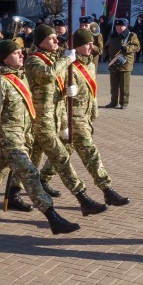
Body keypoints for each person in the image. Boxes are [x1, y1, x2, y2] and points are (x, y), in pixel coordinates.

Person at [0, 39, 80, 234]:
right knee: (31, 174)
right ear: (4, 58)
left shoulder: (21, 77)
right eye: (16, 53)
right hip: (8, 139)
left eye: (21, 52)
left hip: (21, 137)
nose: (21, 55)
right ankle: (53, 217)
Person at [25, 24, 107, 216]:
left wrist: (66, 93)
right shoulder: (34, 60)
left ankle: (12, 192)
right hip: (41, 120)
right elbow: (47, 75)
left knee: (31, 160)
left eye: (56, 37)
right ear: (41, 41)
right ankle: (82, 198)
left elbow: (56, 88)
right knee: (61, 159)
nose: (56, 41)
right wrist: (65, 60)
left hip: (53, 118)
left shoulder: (53, 57)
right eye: (51, 38)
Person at [65, 27, 130, 206]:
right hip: (73, 117)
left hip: (85, 116)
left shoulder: (90, 64)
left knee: (62, 154)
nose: (90, 46)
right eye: (86, 44)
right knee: (90, 153)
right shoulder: (67, 65)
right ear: (76, 46)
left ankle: (42, 179)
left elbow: (92, 93)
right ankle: (107, 190)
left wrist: (93, 112)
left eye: (91, 43)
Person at [104, 18, 139, 109]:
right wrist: (106, 55)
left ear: (126, 26)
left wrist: (127, 48)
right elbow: (107, 46)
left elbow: (137, 47)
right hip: (113, 62)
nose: (119, 28)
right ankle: (113, 102)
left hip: (125, 63)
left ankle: (124, 103)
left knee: (124, 85)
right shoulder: (112, 35)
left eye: (121, 26)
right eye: (117, 26)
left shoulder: (131, 35)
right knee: (114, 85)